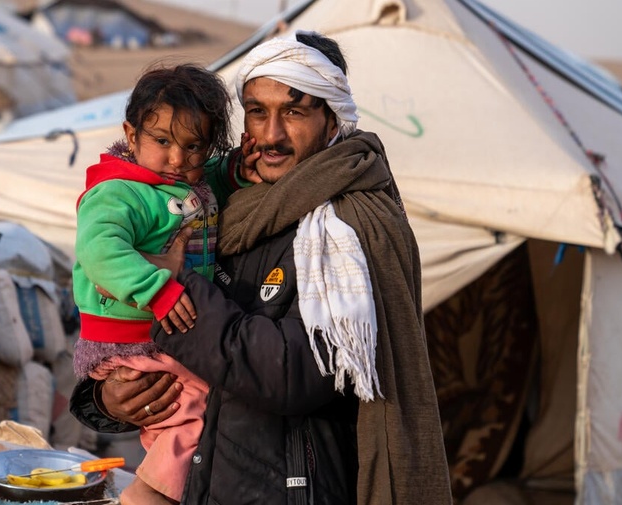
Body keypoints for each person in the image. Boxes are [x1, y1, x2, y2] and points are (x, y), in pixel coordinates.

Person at [71, 31, 452, 504]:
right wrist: (108, 401)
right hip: (211, 481)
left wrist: (177, 283)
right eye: (257, 111)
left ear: (332, 118)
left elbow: (297, 373)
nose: (270, 134)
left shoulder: (350, 227)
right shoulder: (227, 207)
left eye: (293, 111)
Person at [70, 63, 242, 505]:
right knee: (192, 410)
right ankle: (149, 497)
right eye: (162, 141)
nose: (178, 160)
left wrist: (236, 170)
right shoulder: (120, 192)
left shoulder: (183, 183)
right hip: (129, 340)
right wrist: (158, 289)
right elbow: (100, 251)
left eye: (193, 147)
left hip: (157, 337)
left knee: (183, 414)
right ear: (131, 136)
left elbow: (209, 182)